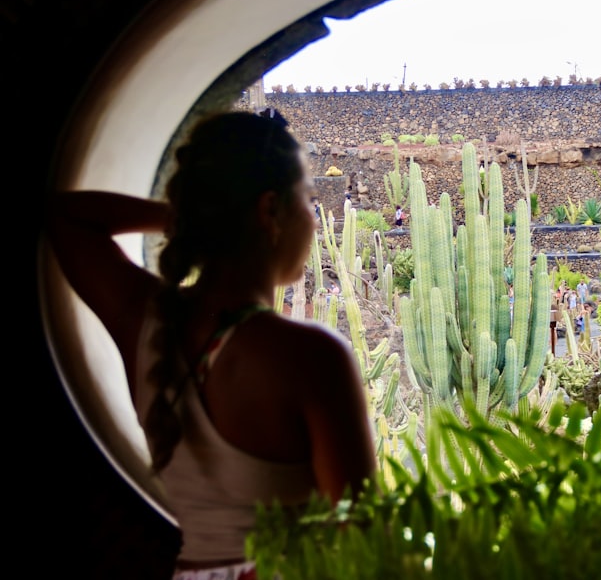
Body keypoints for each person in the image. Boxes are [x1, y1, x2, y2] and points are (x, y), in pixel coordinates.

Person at [45, 111, 376, 579]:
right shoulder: (310, 355)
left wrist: (193, 220)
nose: (314, 217)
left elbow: (66, 216)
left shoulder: (144, 320)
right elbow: (363, 540)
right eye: (306, 198)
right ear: (269, 211)